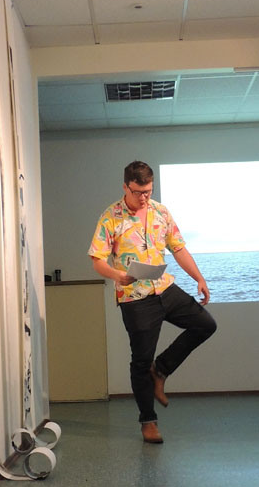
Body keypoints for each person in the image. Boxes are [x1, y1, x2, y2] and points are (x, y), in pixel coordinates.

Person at [88, 160, 216, 444]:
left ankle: (161, 370)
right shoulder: (111, 217)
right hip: (135, 297)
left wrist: (199, 277)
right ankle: (148, 421)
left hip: (164, 288)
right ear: (125, 187)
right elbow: (97, 259)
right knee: (140, 360)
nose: (144, 197)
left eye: (148, 191)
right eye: (138, 192)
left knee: (206, 325)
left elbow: (178, 248)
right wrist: (117, 275)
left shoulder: (161, 211)